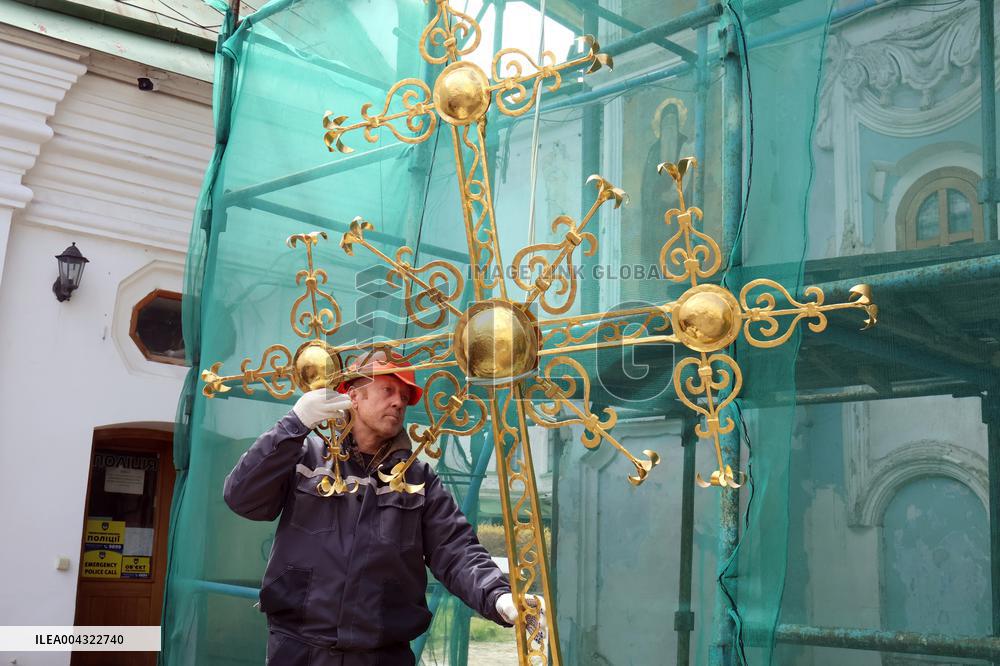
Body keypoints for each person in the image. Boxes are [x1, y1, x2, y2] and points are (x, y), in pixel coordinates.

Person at [223, 352, 543, 665]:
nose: (399, 402)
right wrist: (294, 424)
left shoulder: (419, 480)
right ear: (354, 396)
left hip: (383, 654)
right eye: (388, 390)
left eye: (405, 396)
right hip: (299, 649)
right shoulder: (305, 456)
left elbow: (456, 550)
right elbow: (242, 497)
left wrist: (498, 596)